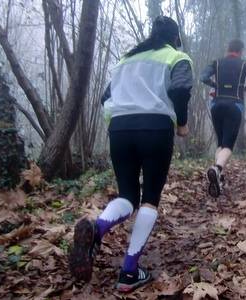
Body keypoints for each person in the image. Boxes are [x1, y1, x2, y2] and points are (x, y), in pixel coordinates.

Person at [68, 16, 193, 293]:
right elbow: (181, 88)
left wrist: (118, 119)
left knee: (126, 195)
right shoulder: (176, 56)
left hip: (120, 129)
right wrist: (182, 123)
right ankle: (129, 271)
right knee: (150, 198)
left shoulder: (126, 59)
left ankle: (97, 229)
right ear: (175, 38)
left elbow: (105, 97)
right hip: (156, 129)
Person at [200, 39, 246, 197]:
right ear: (240, 51)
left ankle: (219, 177)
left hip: (216, 105)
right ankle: (217, 169)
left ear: (228, 49)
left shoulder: (216, 62)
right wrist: (242, 88)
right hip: (235, 105)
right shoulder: (245, 64)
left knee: (220, 142)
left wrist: (216, 86)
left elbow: (203, 77)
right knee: (228, 145)